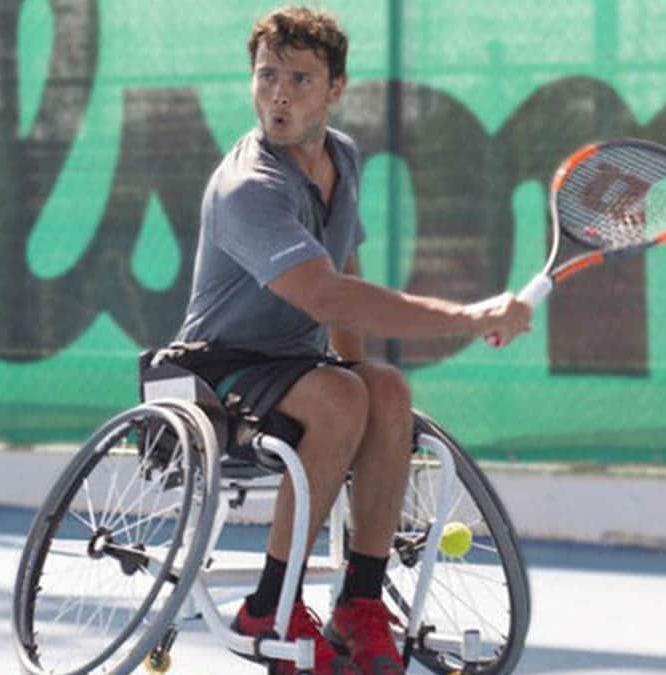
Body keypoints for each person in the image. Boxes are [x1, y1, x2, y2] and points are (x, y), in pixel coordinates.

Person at [169, 7, 532, 674]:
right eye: (267, 75)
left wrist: (366, 387)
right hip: (217, 368)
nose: (279, 93)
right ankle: (268, 605)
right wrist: (469, 315)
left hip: (296, 364)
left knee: (385, 387)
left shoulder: (344, 156)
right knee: (341, 394)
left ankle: (359, 602)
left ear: (336, 89)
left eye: (301, 79)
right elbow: (328, 294)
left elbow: (346, 266)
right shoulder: (249, 187)